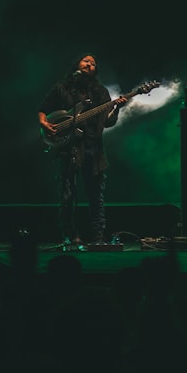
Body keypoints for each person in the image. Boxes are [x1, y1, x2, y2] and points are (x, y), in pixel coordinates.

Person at [37, 54, 127, 248]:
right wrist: (45, 123)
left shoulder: (101, 92)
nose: (90, 64)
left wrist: (117, 108)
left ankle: (98, 236)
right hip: (68, 148)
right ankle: (70, 235)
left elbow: (109, 122)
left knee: (96, 195)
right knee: (68, 194)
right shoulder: (61, 88)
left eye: (93, 63)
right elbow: (43, 109)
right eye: (86, 61)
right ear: (77, 64)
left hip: (93, 149)